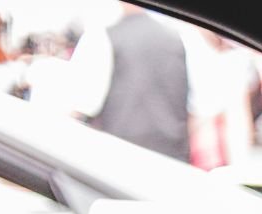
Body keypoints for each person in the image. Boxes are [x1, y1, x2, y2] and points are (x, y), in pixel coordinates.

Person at [62, 3, 190, 161]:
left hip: (121, 158)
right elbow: (197, 109)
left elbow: (82, 105)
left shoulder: (103, 36)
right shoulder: (177, 38)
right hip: (173, 159)